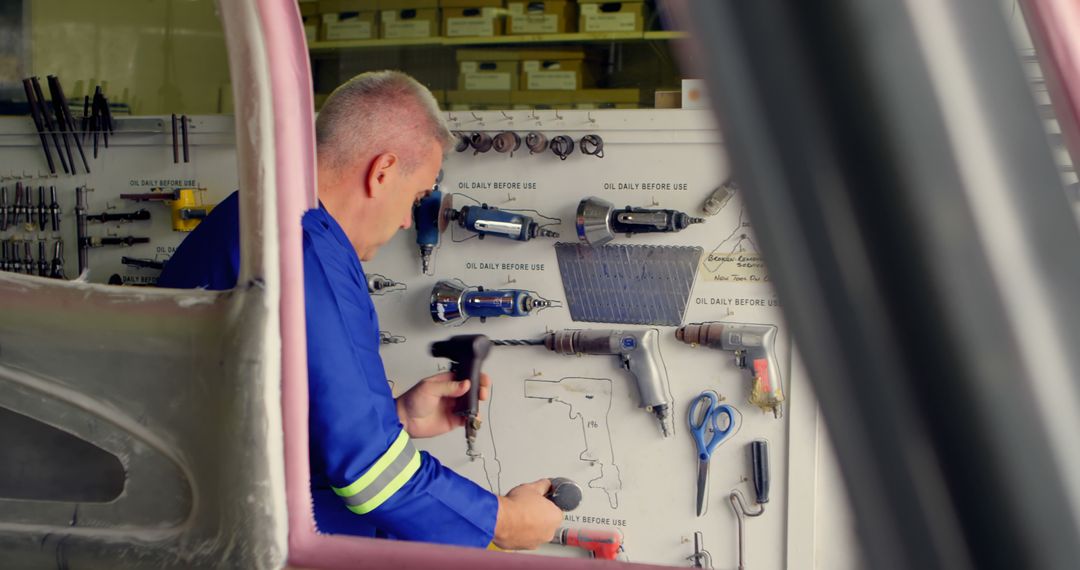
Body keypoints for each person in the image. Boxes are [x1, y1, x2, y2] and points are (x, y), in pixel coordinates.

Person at [157, 71, 562, 549]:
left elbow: (246, 415)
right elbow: (371, 478)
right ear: (383, 171)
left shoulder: (248, 217)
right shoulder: (308, 252)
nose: (407, 220)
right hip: (257, 543)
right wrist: (509, 522)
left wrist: (394, 418)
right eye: (415, 197)